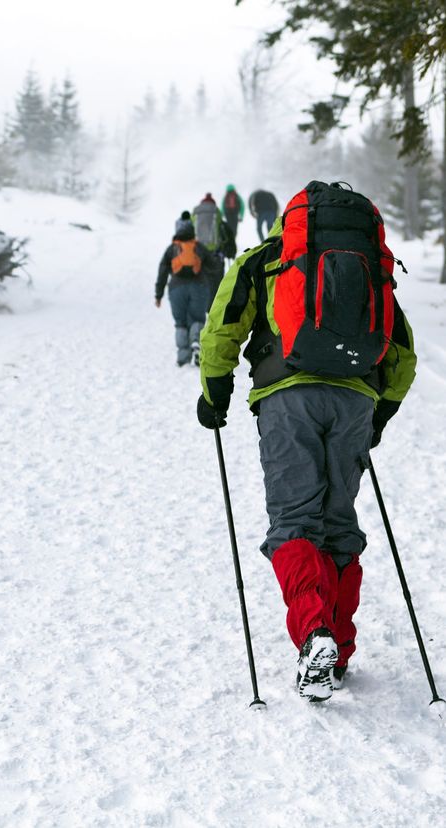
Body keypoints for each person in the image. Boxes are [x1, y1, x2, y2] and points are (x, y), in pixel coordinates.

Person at [196, 181, 417, 702]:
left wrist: (215, 390)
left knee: (294, 520)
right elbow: (401, 354)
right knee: (339, 522)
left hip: (286, 398)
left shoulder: (268, 258)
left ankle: (313, 634)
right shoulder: (370, 266)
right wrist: (379, 413)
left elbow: (222, 325)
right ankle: (338, 650)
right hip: (356, 400)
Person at [155, 215, 216, 366]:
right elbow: (213, 267)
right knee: (197, 318)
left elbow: (162, 271)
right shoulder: (199, 247)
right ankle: (196, 341)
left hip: (176, 288)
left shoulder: (172, 249)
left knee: (180, 323)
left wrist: (159, 294)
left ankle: (183, 357)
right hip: (199, 286)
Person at [192, 194, 233, 311]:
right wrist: (229, 251)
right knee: (216, 282)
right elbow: (224, 230)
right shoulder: (216, 212)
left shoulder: (195, 212)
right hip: (215, 254)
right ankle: (214, 308)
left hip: (198, 253)